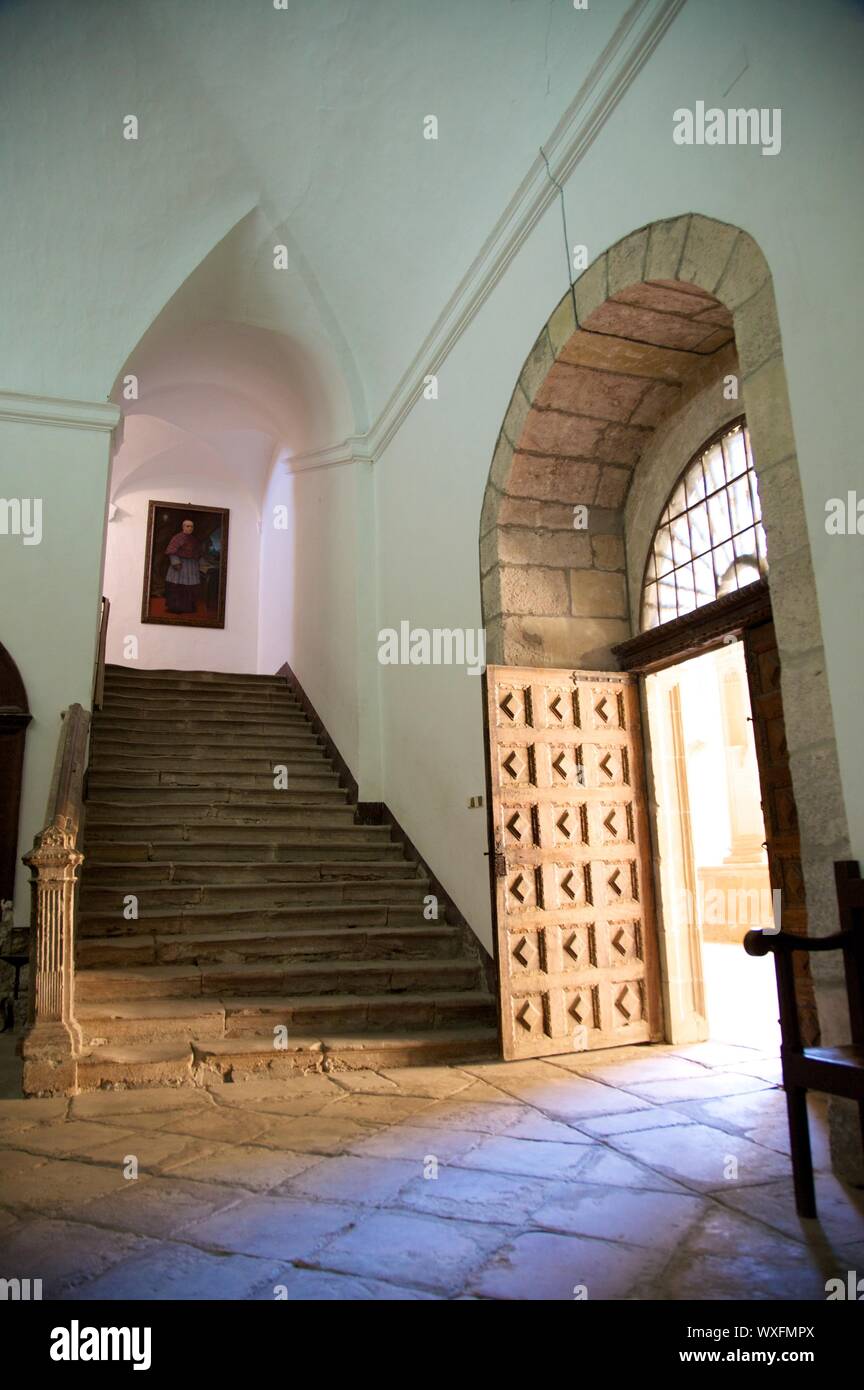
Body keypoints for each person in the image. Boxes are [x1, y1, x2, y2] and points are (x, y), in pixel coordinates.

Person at [164, 518, 204, 614]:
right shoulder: (177, 538)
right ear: (183, 527)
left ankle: (188, 607)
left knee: (190, 588)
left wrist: (202, 564)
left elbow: (198, 554)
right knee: (177, 587)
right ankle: (175, 608)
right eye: (188, 526)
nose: (190, 528)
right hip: (179, 566)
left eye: (192, 526)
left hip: (192, 567)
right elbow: (172, 552)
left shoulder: (194, 540)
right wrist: (176, 563)